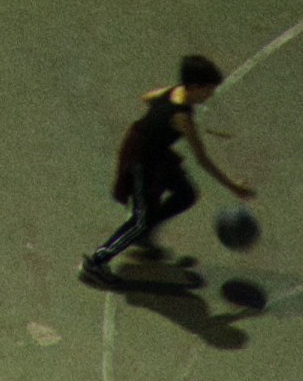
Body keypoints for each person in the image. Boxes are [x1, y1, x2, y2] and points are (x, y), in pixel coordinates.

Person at [82, 53, 248, 283]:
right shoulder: (182, 118)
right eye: (208, 90)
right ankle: (96, 262)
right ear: (194, 87)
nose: (210, 95)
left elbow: (147, 97)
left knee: (185, 194)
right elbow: (202, 158)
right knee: (140, 221)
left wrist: (158, 122)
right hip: (143, 160)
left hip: (156, 155)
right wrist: (233, 186)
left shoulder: (173, 91)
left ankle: (146, 233)